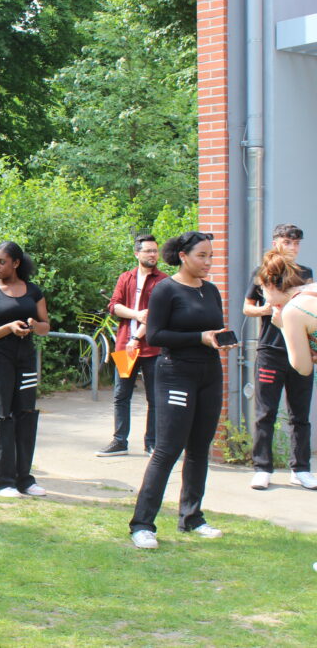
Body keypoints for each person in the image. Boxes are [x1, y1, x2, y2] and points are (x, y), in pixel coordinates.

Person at [129, 231, 237, 549]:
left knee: (199, 448)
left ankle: (192, 517)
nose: (208, 262)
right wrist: (199, 338)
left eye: (211, 256)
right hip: (175, 374)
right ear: (183, 256)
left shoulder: (211, 291)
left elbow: (208, 328)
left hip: (209, 374)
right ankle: (142, 524)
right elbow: (156, 336)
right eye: (202, 256)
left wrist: (217, 338)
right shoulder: (165, 290)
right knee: (168, 449)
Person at [243, 224, 316, 491]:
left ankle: (301, 469)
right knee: (266, 412)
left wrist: (288, 307)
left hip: (300, 351)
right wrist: (267, 309)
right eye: (288, 242)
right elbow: (247, 308)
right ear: (276, 243)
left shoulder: (306, 273)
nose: (293, 248)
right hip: (270, 351)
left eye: (297, 243)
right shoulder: (262, 271)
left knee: (300, 414)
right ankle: (262, 468)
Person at [0, 242, 50, 497]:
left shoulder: (33, 291)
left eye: (1, 262)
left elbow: (45, 326)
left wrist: (33, 325)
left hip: (26, 360)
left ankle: (24, 479)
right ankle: (2, 481)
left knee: (26, 415)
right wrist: (8, 328)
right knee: (3, 416)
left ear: (16, 263)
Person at [96, 234, 167, 457]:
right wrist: (136, 314)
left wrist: (137, 337)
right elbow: (114, 306)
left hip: (152, 347)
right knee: (121, 395)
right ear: (137, 253)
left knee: (154, 397)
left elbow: (158, 314)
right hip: (125, 346)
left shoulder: (163, 281)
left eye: (155, 251)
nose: (153, 255)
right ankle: (119, 441)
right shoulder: (126, 278)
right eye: (148, 251)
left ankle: (152, 443)